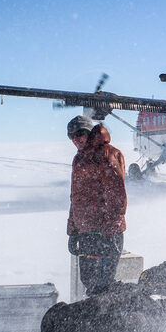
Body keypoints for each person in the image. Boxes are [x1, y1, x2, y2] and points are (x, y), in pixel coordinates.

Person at [66, 115, 127, 295]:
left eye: (79, 134)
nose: (76, 139)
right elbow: (76, 198)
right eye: (71, 136)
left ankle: (107, 321)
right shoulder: (79, 159)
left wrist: (110, 230)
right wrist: (73, 230)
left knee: (103, 285)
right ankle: (95, 318)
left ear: (89, 132)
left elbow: (116, 195)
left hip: (104, 232)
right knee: (89, 282)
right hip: (86, 232)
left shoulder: (106, 154)